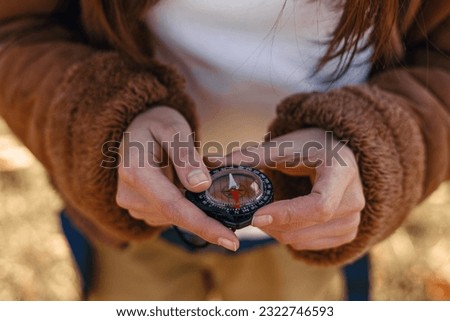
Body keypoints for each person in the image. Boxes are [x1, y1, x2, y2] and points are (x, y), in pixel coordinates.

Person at [0, 0, 449, 300]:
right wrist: (99, 122)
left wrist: (378, 145)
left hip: (310, 230)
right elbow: (16, 27)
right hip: (131, 218)